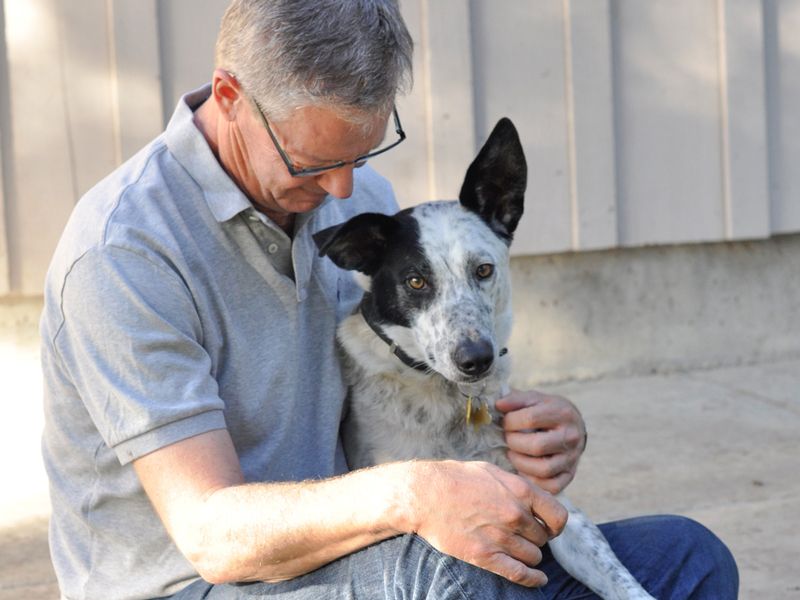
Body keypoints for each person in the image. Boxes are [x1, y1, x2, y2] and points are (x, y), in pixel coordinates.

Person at [40, 1, 738, 598]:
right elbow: (212, 536)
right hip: (207, 583)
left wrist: (537, 433)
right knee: (445, 569)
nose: (345, 189)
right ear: (229, 98)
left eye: (364, 151)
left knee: (688, 558)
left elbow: (432, 373)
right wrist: (415, 494)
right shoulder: (125, 254)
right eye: (315, 161)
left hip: (356, 554)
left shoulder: (355, 200)